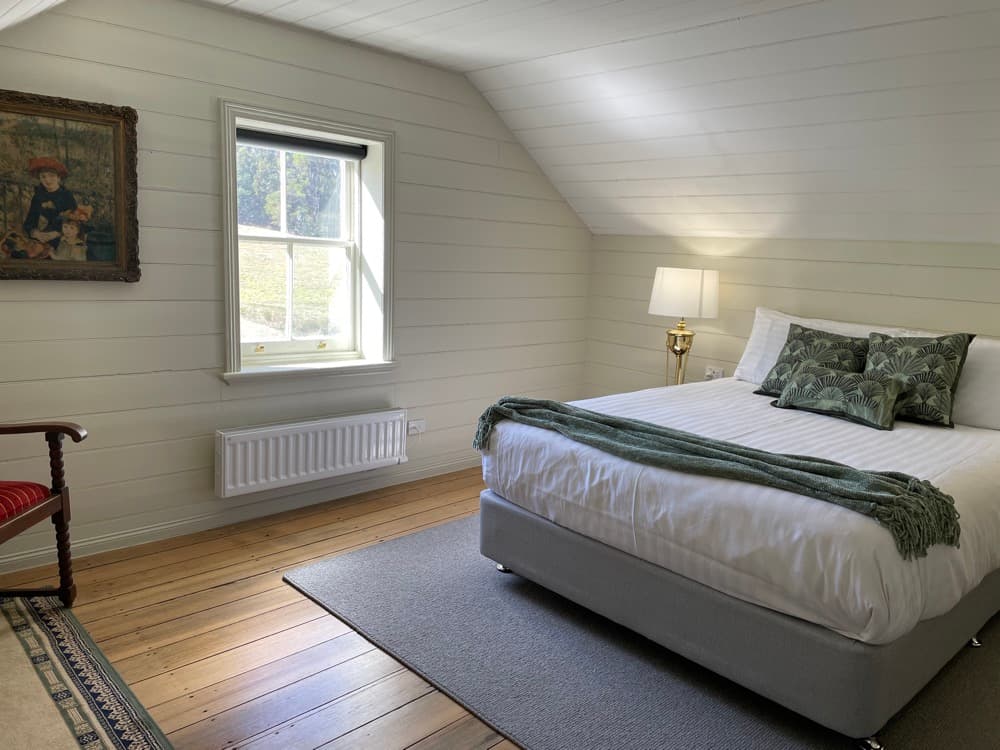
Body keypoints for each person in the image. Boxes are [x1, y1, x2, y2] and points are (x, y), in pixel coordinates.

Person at [22, 157, 77, 255]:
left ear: (59, 178)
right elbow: (29, 222)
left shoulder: (66, 196)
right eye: (43, 177)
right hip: (40, 240)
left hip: (61, 240)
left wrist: (57, 233)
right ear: (39, 179)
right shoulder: (38, 197)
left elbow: (75, 223)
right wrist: (35, 233)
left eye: (52, 176)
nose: (47, 180)